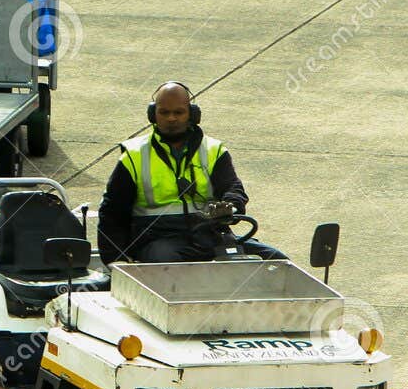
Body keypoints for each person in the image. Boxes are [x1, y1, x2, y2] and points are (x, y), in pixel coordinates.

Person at [96, 81, 286, 264]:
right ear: (153, 115)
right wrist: (115, 260)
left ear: (192, 114)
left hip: (210, 236)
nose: (171, 118)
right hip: (158, 240)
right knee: (168, 268)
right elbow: (112, 212)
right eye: (164, 112)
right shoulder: (134, 155)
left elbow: (233, 187)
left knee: (277, 261)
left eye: (178, 112)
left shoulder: (214, 150)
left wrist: (230, 207)